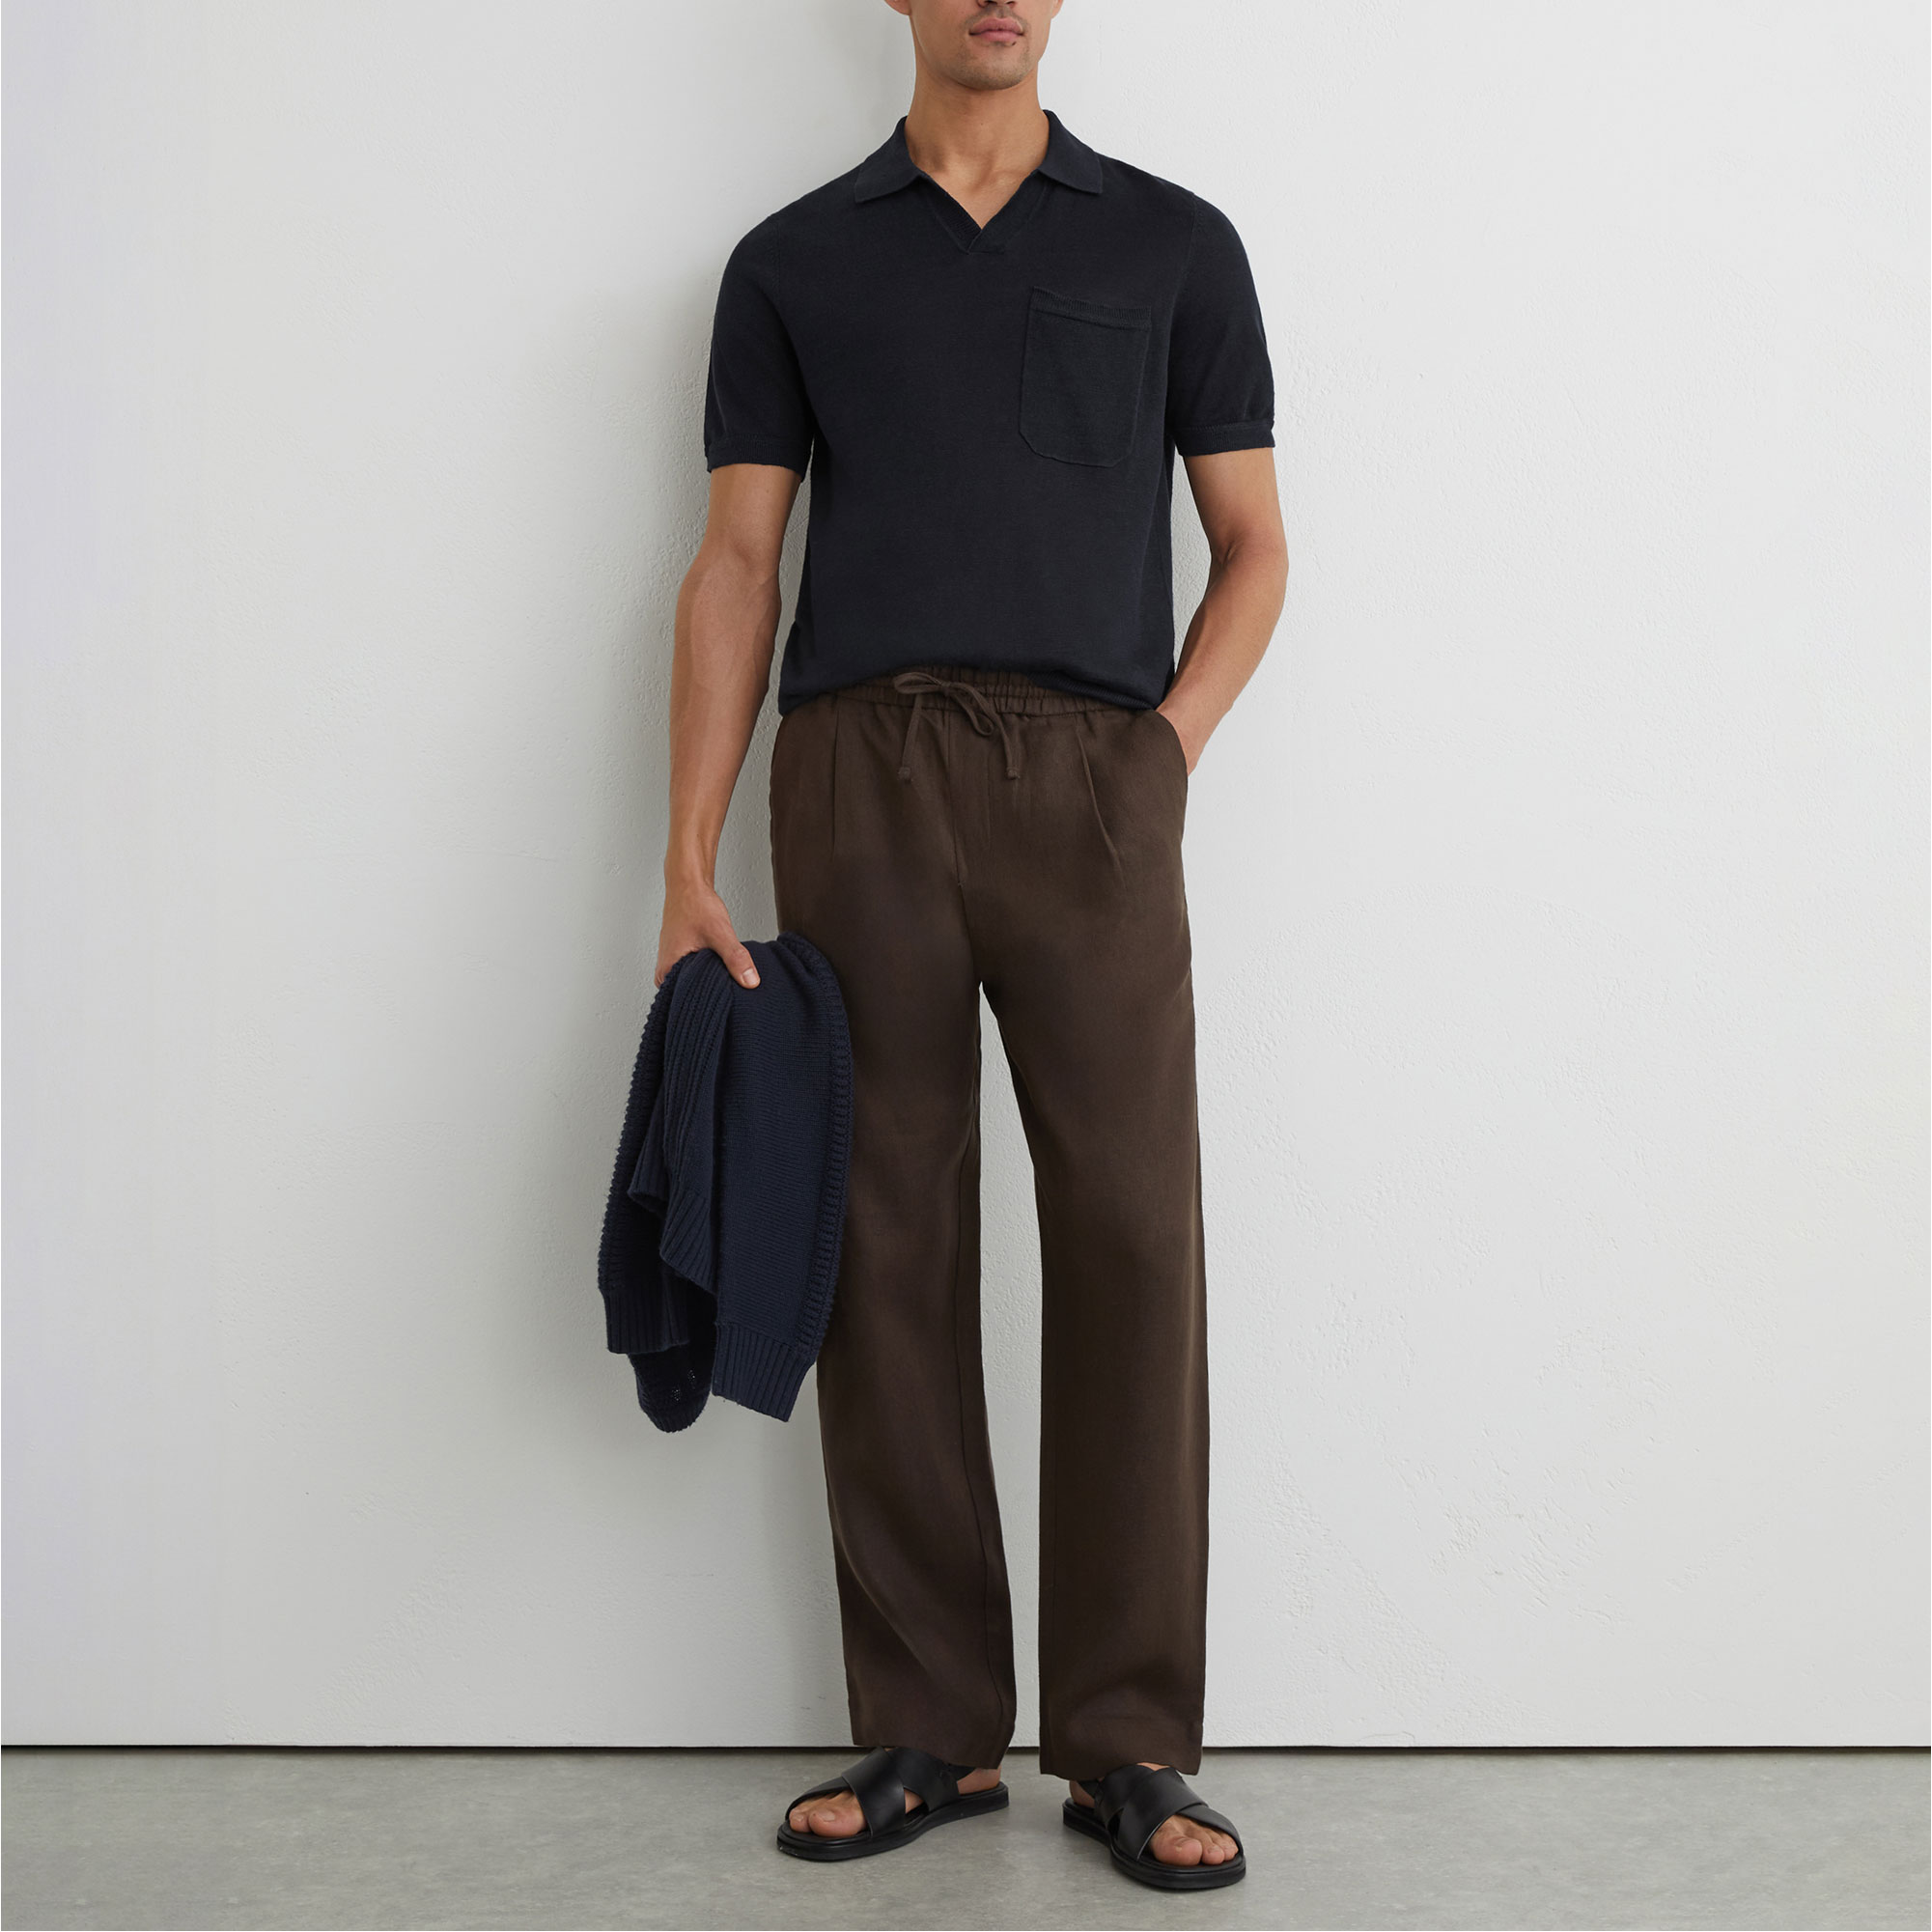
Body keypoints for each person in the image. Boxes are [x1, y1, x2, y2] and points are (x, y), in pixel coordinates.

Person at [654, 0, 1287, 1891]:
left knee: (1130, 1230)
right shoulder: (792, 262)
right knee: (885, 1234)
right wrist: (684, 851)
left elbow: (1253, 542)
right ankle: (930, 1720)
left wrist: (1157, 754)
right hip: (861, 772)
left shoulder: (1173, 243)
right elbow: (738, 563)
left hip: (1093, 780)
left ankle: (1127, 1737)